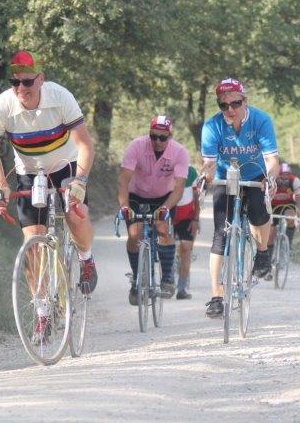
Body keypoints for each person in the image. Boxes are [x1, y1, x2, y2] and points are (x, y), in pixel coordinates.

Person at [0, 50, 98, 334]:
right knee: (33, 242)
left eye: (27, 81)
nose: (21, 88)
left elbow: (85, 144)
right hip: (30, 171)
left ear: (41, 79)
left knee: (76, 215)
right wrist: (2, 186)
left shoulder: (60, 97)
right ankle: (43, 312)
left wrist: (80, 181)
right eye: (15, 82)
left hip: (66, 165)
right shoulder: (1, 107)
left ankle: (86, 258)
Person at [200, 78, 279, 318]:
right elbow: (209, 164)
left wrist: (270, 178)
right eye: (224, 105)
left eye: (235, 103)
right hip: (226, 178)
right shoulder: (212, 126)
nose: (230, 109)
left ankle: (262, 253)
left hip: (255, 175)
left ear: (245, 101)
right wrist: (205, 177)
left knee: (258, 211)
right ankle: (216, 296)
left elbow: (272, 160)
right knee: (220, 234)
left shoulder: (261, 120)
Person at [117, 115, 189, 304]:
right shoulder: (136, 146)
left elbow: (179, 188)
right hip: (136, 194)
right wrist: (124, 206)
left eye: (162, 138)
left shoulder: (180, 152)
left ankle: (167, 278)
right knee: (134, 234)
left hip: (164, 197)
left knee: (163, 228)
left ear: (170, 136)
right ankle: (137, 279)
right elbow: (123, 180)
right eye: (153, 136)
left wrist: (166, 207)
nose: (157, 141)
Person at [172, 165, 202, 300]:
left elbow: (196, 197)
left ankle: (181, 288)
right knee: (166, 248)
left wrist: (196, 219)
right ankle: (167, 280)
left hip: (187, 217)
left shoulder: (191, 172)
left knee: (186, 250)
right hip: (168, 215)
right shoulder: (164, 168)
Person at [267, 162, 300, 262]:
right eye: (281, 177)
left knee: (290, 218)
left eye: (286, 177)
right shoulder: (271, 180)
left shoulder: (295, 181)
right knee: (270, 234)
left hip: (287, 205)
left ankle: (288, 245)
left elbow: (299, 202)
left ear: (290, 175)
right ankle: (268, 261)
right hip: (272, 206)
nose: (284, 180)